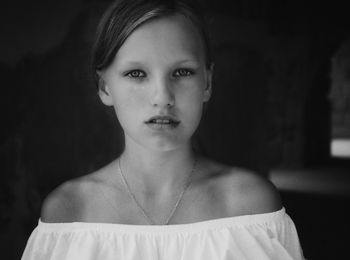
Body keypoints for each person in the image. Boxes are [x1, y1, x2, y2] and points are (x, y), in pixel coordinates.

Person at [21, 0, 305, 259]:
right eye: (136, 73)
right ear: (105, 87)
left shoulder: (251, 207)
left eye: (182, 72)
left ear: (207, 83)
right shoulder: (69, 213)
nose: (162, 97)